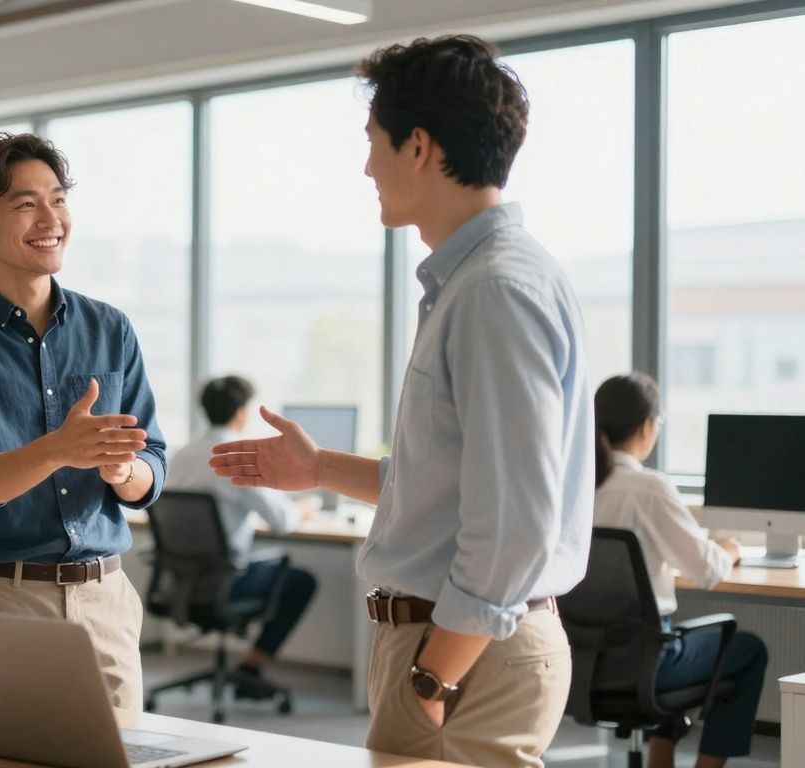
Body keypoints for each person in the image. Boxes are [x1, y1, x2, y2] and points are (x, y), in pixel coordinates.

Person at [210, 35, 593, 767]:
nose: (366, 167)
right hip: (452, 647)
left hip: (463, 656)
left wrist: (432, 673)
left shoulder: (494, 292)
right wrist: (321, 467)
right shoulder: (475, 284)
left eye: (372, 143)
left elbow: (513, 526)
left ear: (417, 146)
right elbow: (457, 488)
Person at [0, 132, 166, 711]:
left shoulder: (110, 328)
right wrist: (59, 449)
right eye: (26, 204)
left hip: (105, 602)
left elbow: (153, 466)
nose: (51, 218)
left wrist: (125, 471)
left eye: (59, 199)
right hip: (0, 602)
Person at [593, 373, 766, 768]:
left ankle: (661, 760)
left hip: (583, 662)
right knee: (748, 650)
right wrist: (728, 549)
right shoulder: (648, 488)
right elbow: (706, 571)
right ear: (646, 426)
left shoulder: (575, 484)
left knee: (664, 633)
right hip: (643, 665)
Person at [167, 375, 317, 697]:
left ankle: (250, 667)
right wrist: (306, 507)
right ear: (240, 412)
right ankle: (252, 665)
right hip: (227, 583)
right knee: (302, 581)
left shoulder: (179, 456)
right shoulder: (236, 455)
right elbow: (281, 520)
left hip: (179, 583)